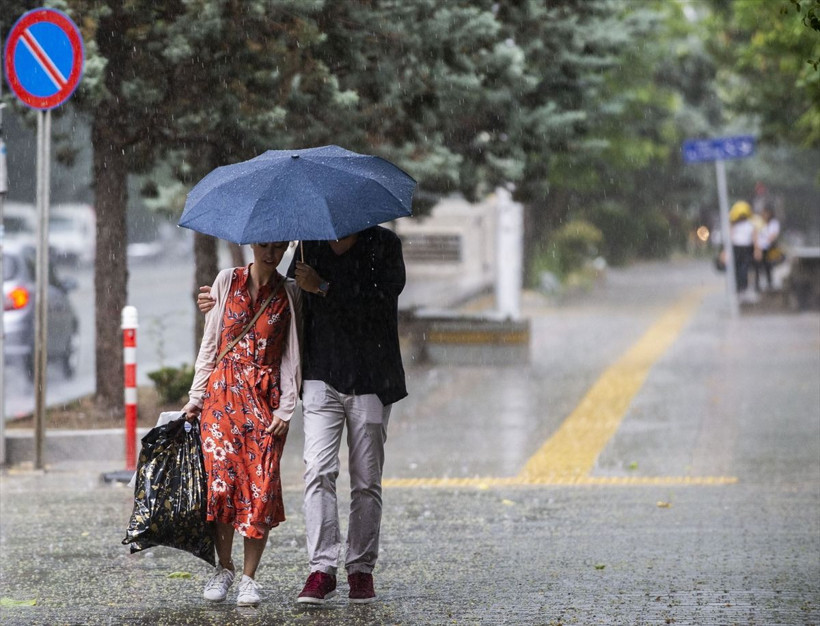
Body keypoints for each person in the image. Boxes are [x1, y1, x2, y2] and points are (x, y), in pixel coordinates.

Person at [198, 225, 406, 605]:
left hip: (373, 376)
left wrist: (325, 288)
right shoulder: (310, 246)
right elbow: (284, 300)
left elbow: (381, 301)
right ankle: (321, 569)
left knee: (366, 480)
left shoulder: (385, 245)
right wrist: (219, 303)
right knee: (318, 470)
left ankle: (360, 569)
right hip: (321, 374)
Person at [183, 241, 302, 607]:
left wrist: (286, 409)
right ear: (252, 244)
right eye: (265, 245)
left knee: (261, 490)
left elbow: (291, 353)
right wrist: (196, 395)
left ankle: (249, 578)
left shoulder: (289, 292)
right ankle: (224, 568)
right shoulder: (225, 281)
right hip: (221, 398)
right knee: (221, 487)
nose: (271, 252)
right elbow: (211, 341)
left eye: (278, 246)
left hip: (265, 401)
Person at [728, 201, 758, 296]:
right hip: (741, 248)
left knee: (742, 268)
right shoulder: (738, 225)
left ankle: (742, 287)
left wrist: (757, 249)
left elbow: (754, 237)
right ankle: (740, 287)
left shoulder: (749, 225)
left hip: (743, 248)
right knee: (740, 268)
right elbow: (730, 236)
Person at [754, 206, 781, 292]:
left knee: (768, 266)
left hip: (769, 248)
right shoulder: (758, 222)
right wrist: (757, 248)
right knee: (757, 268)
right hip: (759, 248)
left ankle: (770, 284)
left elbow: (773, 235)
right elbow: (755, 234)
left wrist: (766, 243)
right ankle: (757, 286)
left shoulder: (774, 223)